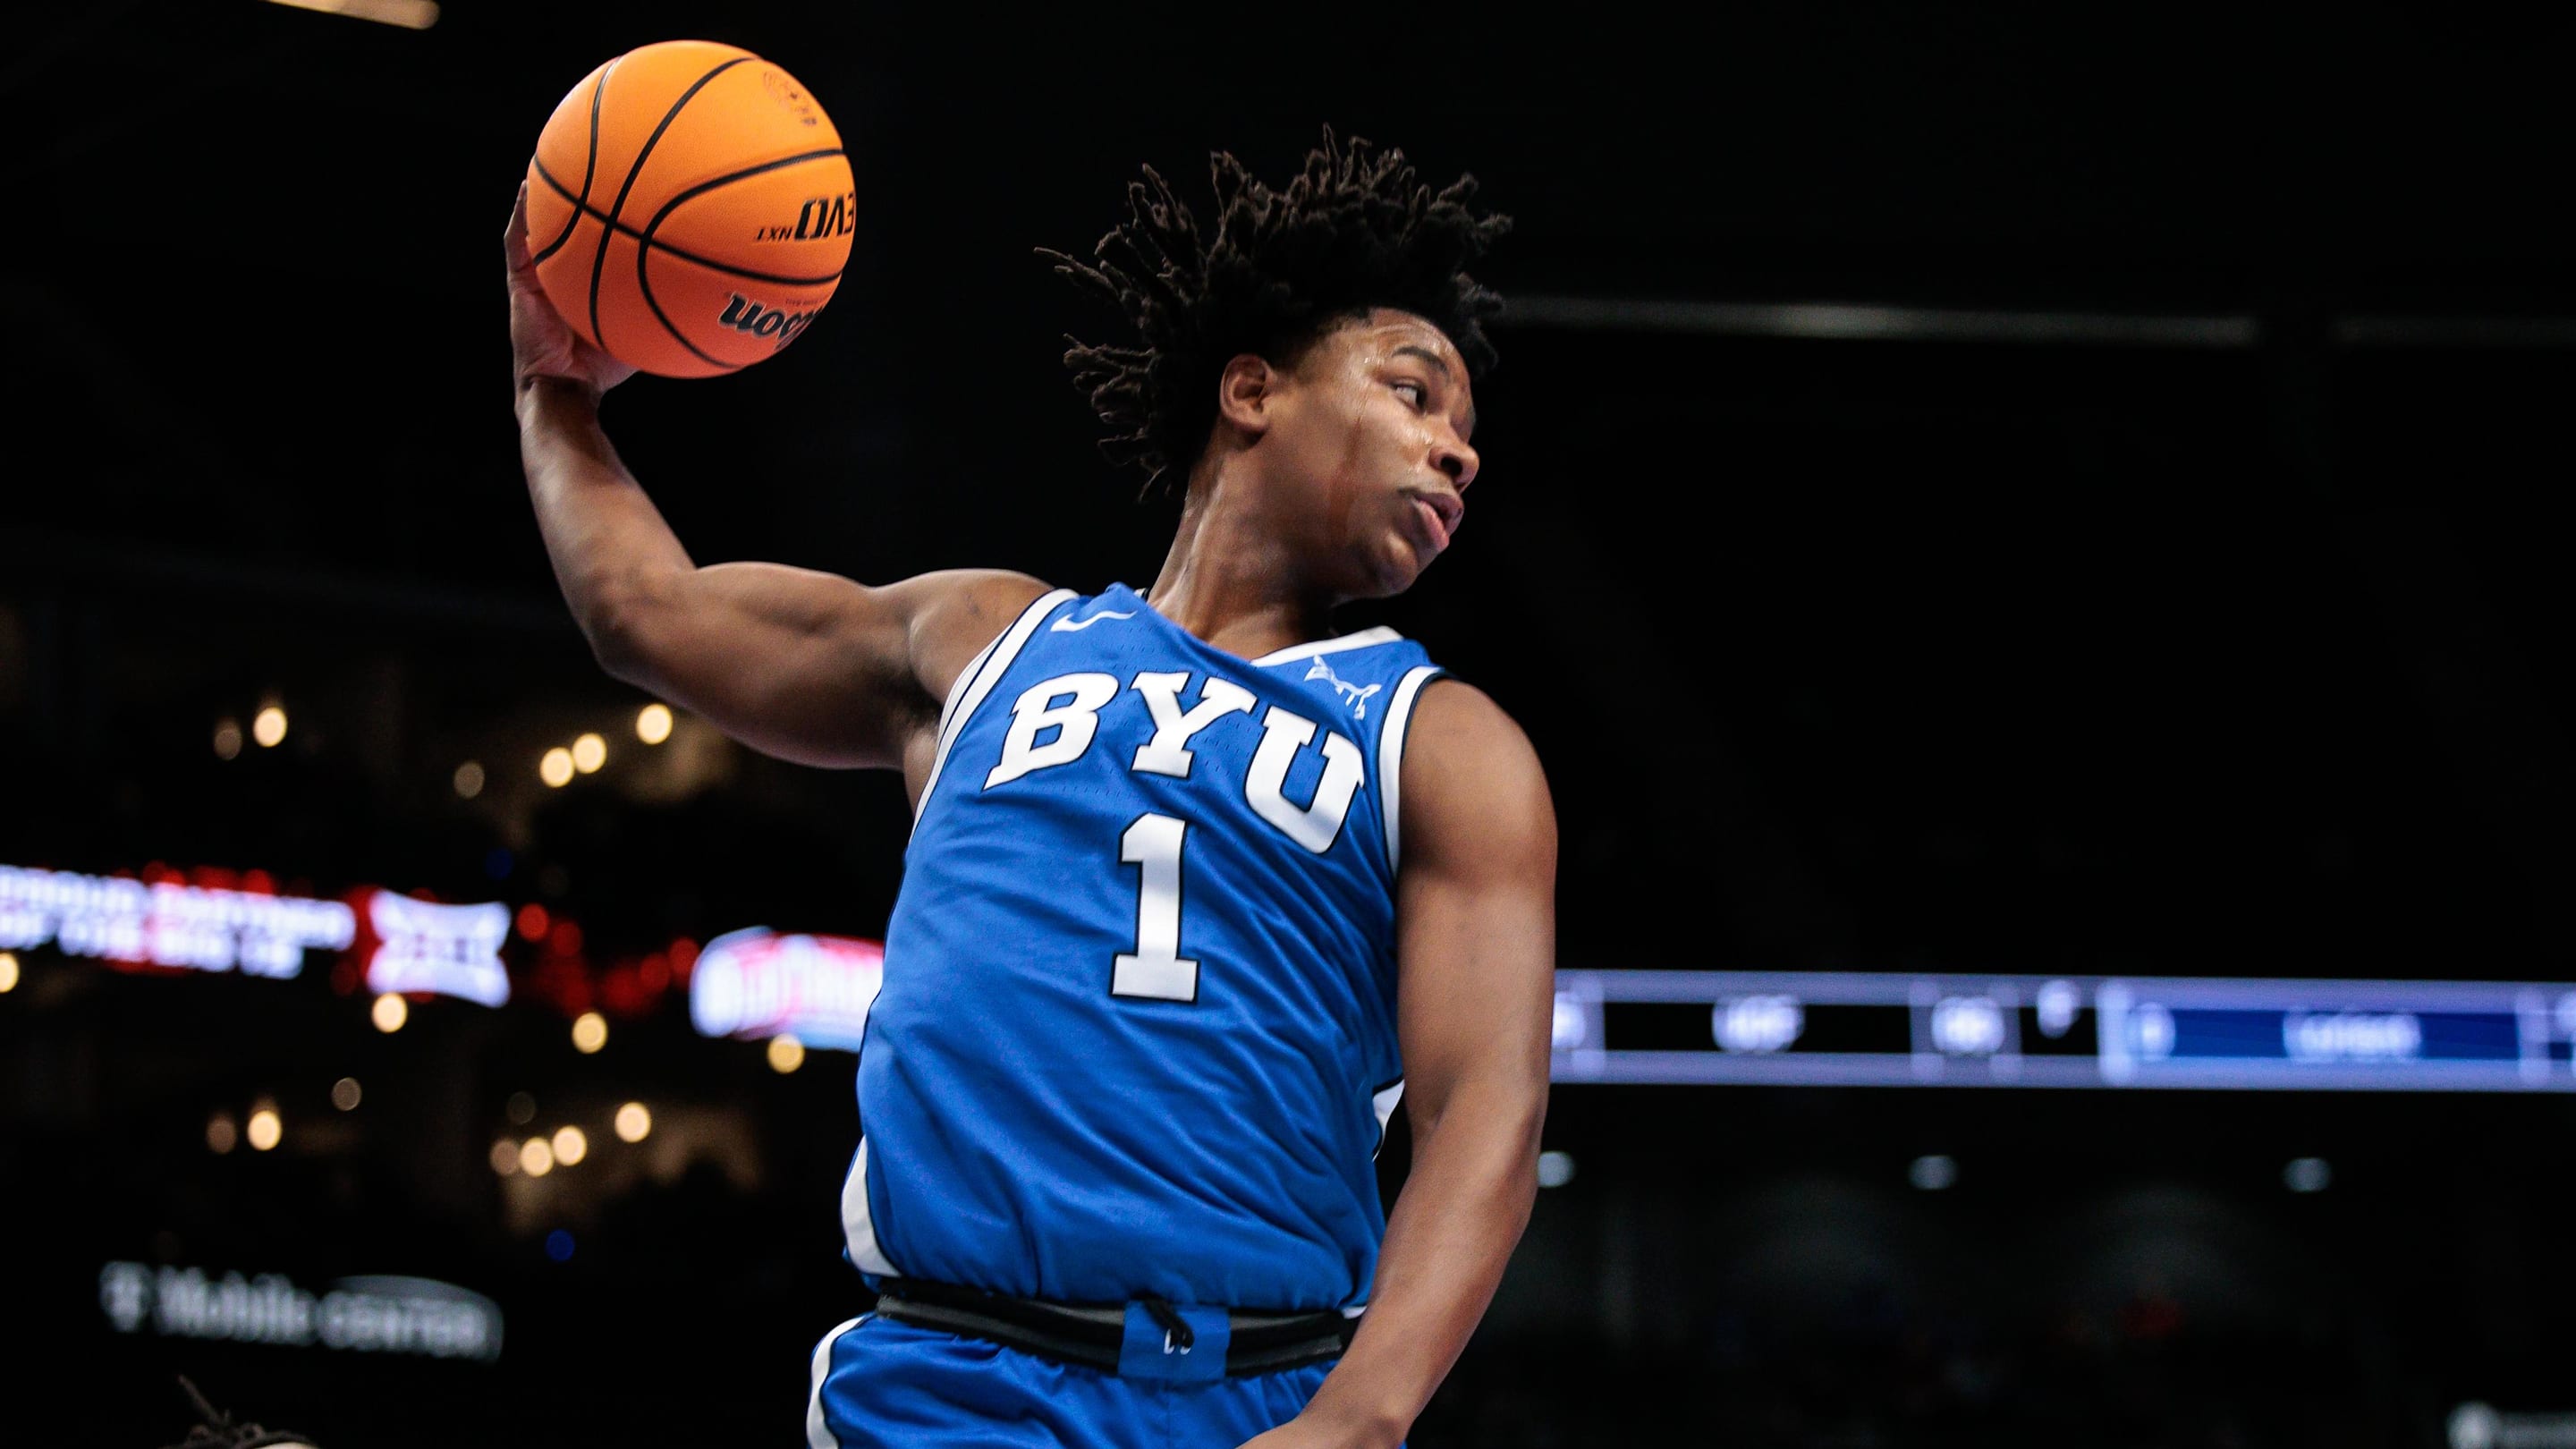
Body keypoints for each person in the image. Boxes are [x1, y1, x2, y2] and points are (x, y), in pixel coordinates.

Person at [504, 130, 1555, 1449]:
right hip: (944, 1381)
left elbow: (1485, 1117)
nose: (1455, 453)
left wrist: (1363, 1418)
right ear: (1251, 390)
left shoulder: (1442, 740)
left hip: (1254, 1398)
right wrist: (556, 388)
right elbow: (643, 609)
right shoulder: (986, 640)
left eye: (1465, 433)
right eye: (1414, 396)